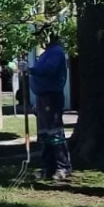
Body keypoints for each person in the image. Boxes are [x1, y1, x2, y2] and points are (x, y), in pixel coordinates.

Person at [27, 34, 72, 180]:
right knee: (45, 134)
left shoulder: (56, 52)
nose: (40, 40)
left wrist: (31, 70)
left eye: (42, 36)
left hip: (51, 97)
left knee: (55, 133)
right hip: (42, 98)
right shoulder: (46, 53)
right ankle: (47, 167)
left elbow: (48, 70)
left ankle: (63, 167)